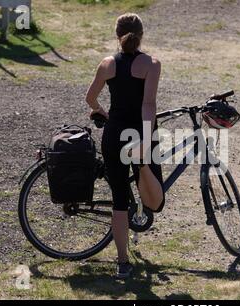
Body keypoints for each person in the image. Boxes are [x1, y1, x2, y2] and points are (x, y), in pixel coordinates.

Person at [86, 13, 165, 279]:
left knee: (119, 199)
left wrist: (102, 112)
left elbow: (90, 97)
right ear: (141, 35)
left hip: (115, 134)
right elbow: (148, 105)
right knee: (153, 191)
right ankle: (144, 196)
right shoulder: (151, 64)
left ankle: (122, 263)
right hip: (140, 133)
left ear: (116, 35)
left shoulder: (108, 63)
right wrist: (143, 138)